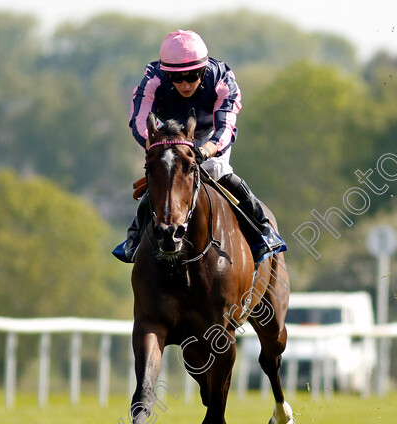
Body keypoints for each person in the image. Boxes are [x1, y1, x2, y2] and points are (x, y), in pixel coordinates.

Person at [113, 29, 286, 265]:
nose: (185, 84)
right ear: (166, 74)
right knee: (163, 174)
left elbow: (226, 128)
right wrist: (155, 144)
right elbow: (139, 119)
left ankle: (262, 229)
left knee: (217, 171)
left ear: (204, 70)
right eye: (177, 78)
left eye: (193, 75)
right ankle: (134, 236)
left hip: (209, 133)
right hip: (169, 134)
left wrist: (206, 150)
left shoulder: (222, 79)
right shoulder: (153, 77)